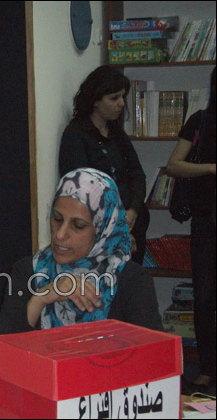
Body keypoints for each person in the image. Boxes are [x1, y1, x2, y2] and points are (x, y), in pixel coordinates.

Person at [0, 168, 163, 336]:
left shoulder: (132, 280)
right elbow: (0, 351)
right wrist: (40, 299)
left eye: (78, 226)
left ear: (102, 230)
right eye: (57, 219)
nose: (60, 235)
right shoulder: (28, 271)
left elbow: (153, 351)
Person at [59, 65, 149, 265]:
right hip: (99, 229)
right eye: (114, 98)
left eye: (123, 97)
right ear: (95, 101)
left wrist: (133, 210)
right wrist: (117, 229)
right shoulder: (76, 135)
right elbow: (81, 191)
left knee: (133, 280)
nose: (121, 103)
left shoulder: (116, 133)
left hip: (133, 221)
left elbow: (137, 173)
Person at [166, 67, 216, 393]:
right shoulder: (200, 120)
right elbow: (174, 165)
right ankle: (208, 367)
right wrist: (210, 168)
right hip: (206, 223)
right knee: (204, 297)